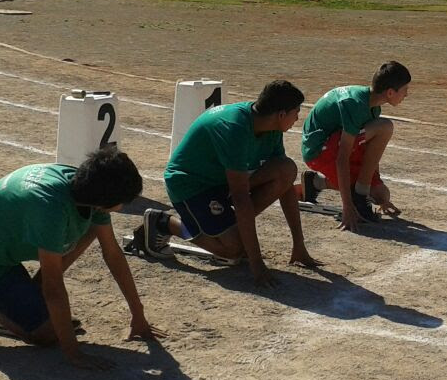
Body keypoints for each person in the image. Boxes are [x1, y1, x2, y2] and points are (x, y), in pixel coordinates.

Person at [0, 146, 164, 369]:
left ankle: (28, 291)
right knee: (46, 335)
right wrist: (73, 353)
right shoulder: (50, 209)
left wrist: (138, 315)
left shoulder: (84, 187)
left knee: (92, 229)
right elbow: (54, 288)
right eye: (121, 202)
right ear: (106, 199)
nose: (122, 207)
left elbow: (112, 253)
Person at [135, 79, 319, 287]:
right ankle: (165, 223)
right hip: (191, 184)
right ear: (281, 115)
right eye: (296, 112)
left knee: (286, 169)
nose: (297, 118)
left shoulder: (271, 127)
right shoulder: (235, 129)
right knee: (233, 250)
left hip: (222, 181)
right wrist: (257, 264)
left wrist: (299, 244)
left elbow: (285, 185)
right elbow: (241, 198)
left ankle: (226, 227)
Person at [298, 61, 412, 231]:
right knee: (385, 127)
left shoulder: (372, 105)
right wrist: (348, 206)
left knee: (381, 194)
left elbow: (370, 150)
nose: (407, 94)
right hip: (317, 151)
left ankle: (315, 182)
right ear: (390, 92)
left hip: (332, 144)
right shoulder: (356, 104)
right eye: (405, 90)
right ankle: (359, 194)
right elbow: (341, 159)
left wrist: (375, 181)